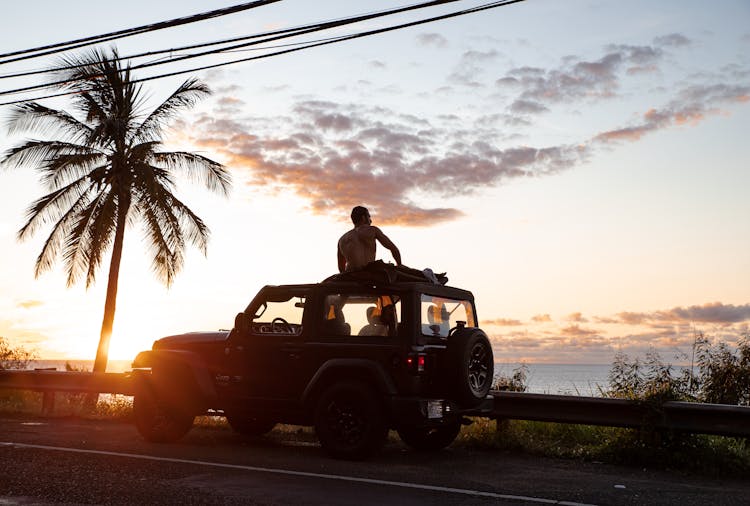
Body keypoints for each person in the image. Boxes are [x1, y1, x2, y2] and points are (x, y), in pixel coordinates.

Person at [337, 206, 401, 273]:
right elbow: (394, 249)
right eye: (369, 216)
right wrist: (399, 265)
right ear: (363, 217)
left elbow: (341, 268)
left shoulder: (342, 240)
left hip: (350, 274)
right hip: (368, 273)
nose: (371, 220)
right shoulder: (373, 230)